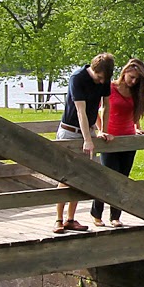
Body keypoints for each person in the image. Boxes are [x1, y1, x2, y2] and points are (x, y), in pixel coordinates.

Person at [54, 52, 114, 233]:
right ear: (93, 70)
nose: (101, 82)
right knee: (66, 176)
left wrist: (103, 130)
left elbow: (105, 106)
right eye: (99, 78)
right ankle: (58, 219)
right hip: (70, 131)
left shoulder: (105, 80)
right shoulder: (77, 78)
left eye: (105, 79)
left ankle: (71, 219)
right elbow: (81, 111)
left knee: (81, 176)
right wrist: (87, 140)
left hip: (88, 130)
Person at [90, 57, 144, 226]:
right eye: (132, 77)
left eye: (137, 79)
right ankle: (96, 213)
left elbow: (136, 112)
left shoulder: (137, 92)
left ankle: (115, 216)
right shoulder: (110, 88)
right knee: (108, 178)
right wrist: (101, 130)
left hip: (129, 139)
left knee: (123, 179)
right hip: (110, 139)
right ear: (124, 73)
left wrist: (137, 127)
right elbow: (98, 110)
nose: (134, 81)